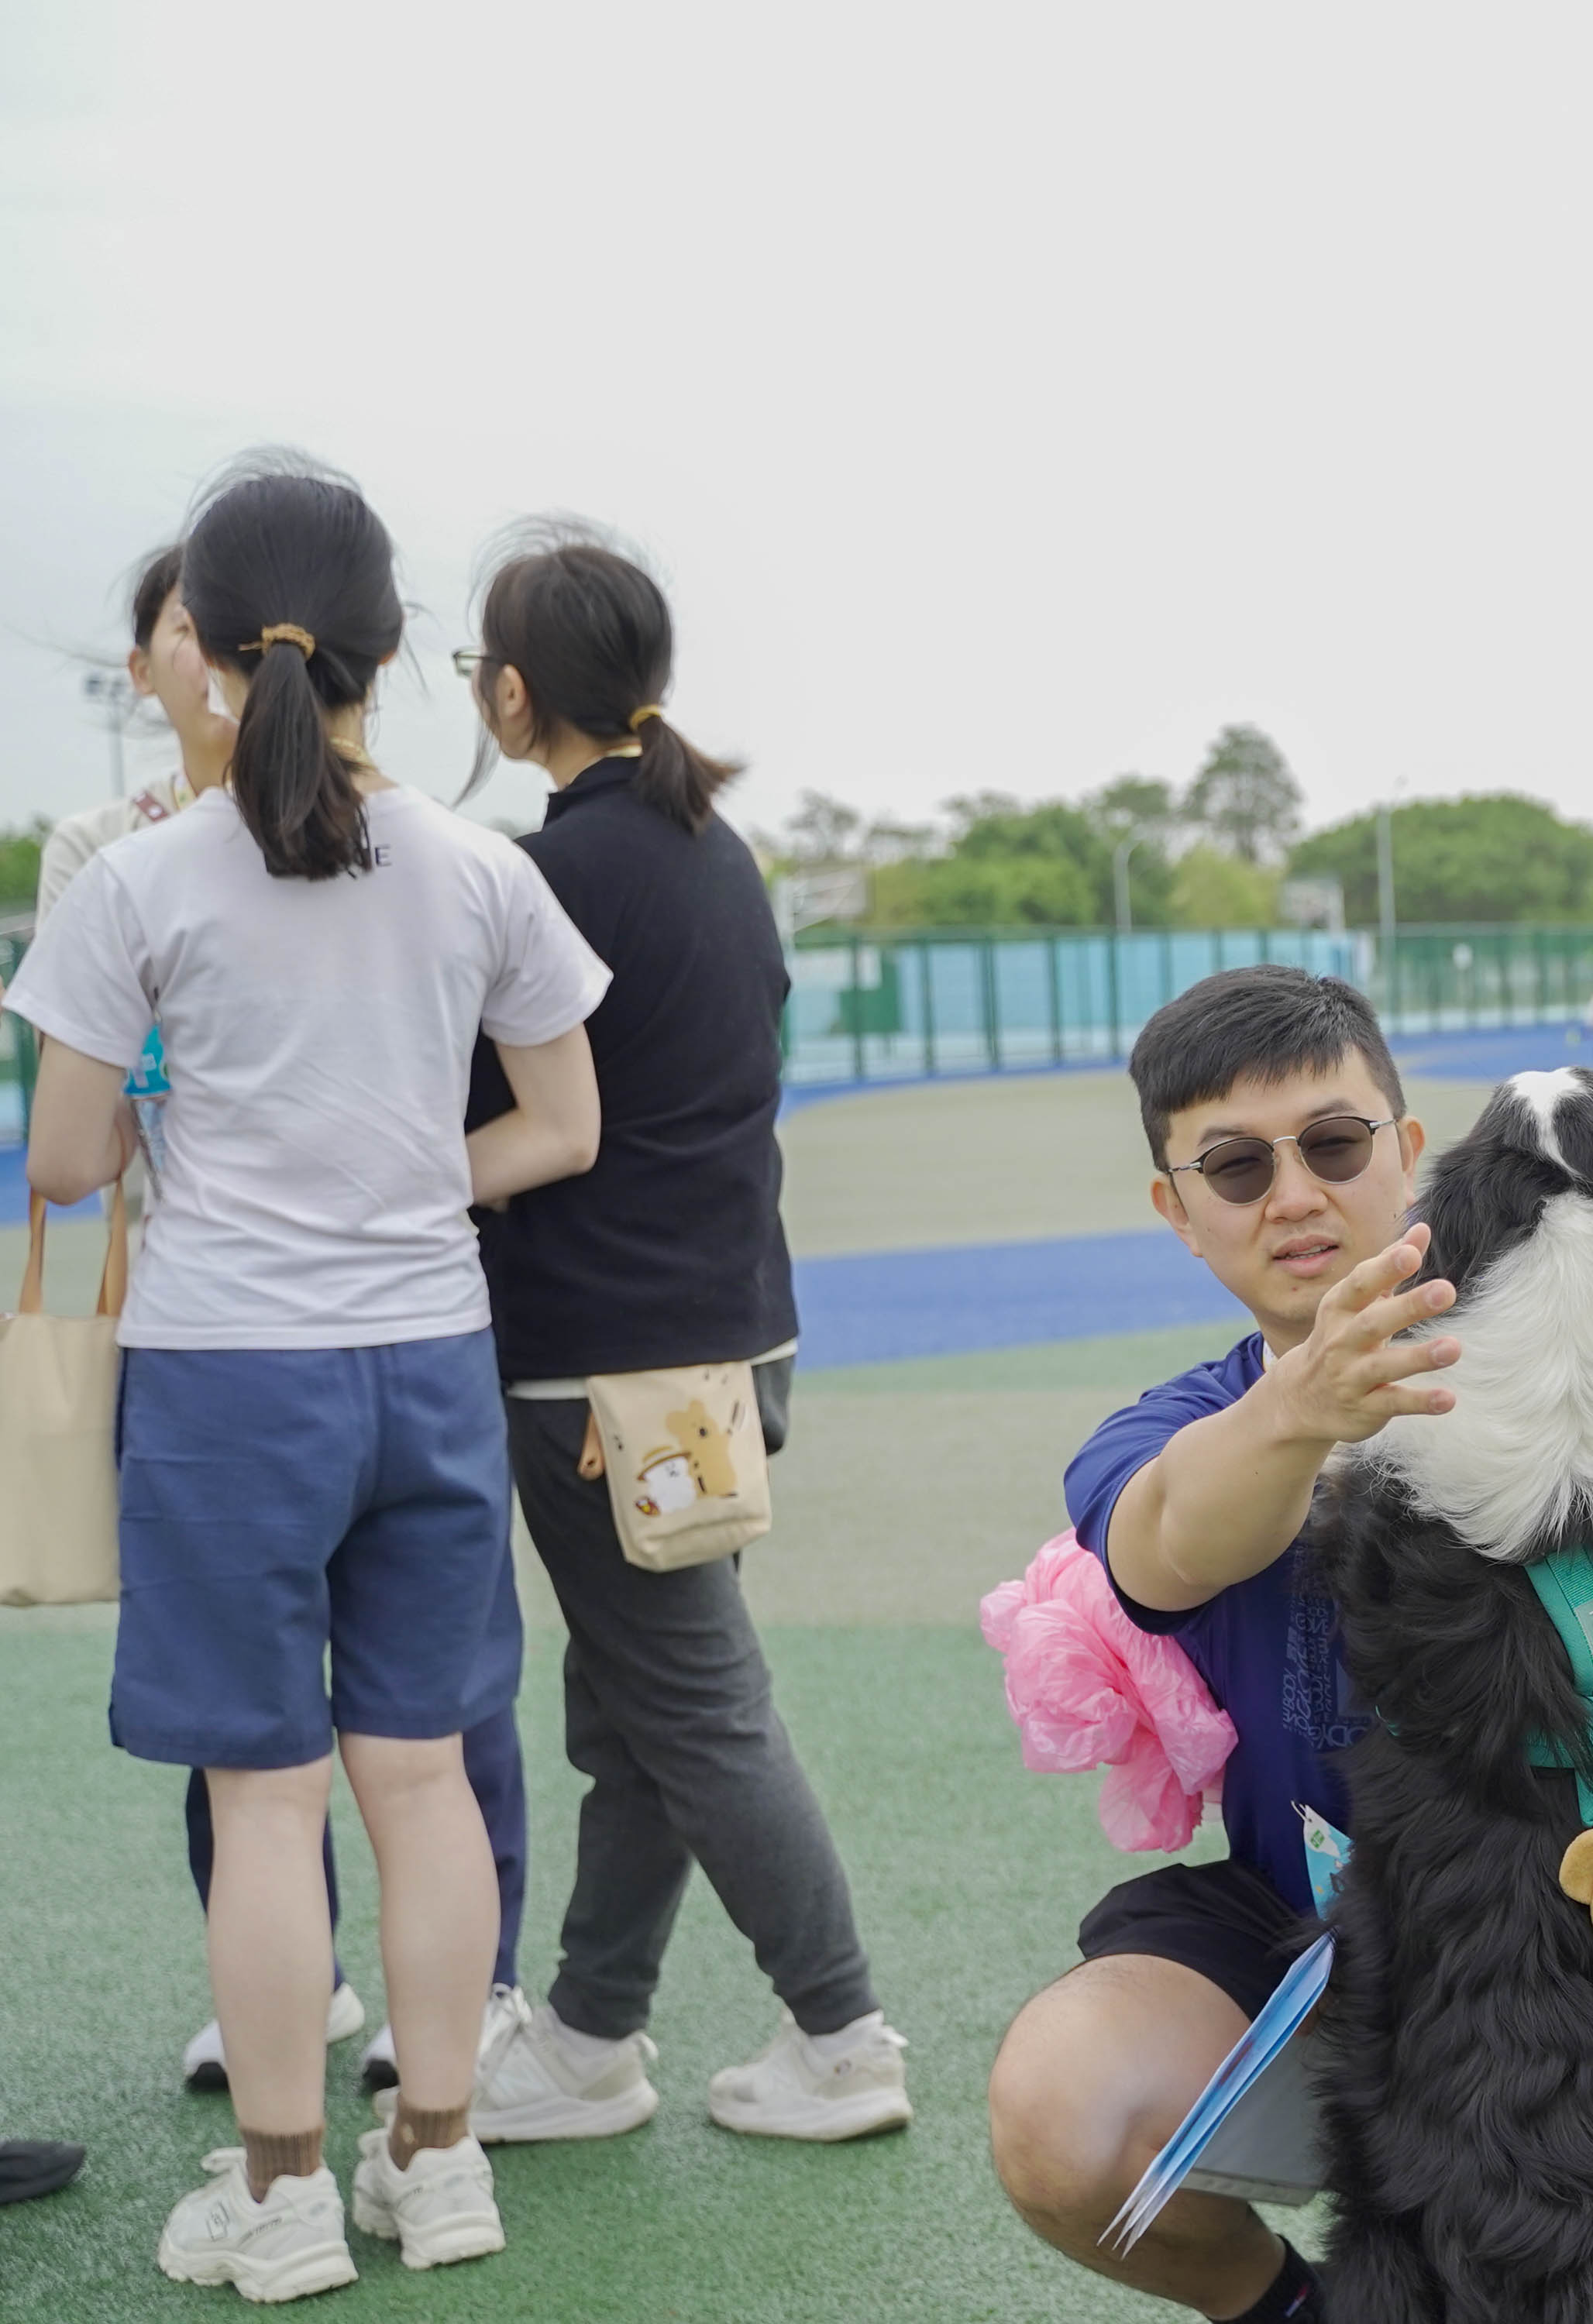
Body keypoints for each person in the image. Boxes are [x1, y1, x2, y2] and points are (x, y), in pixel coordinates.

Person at [982, 968, 1593, 2324]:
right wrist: (1307, 1411)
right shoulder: (1181, 1427)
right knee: (1065, 2118)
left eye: (1333, 1145)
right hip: (1317, 1931)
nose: (1293, 1195)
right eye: (1237, 1167)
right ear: (1178, 1209)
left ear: (1409, 1156)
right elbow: (1166, 1545)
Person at [10, 457, 611, 2302]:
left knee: (264, 1800)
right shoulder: (481, 868)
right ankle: (437, 2159)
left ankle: (278, 2195)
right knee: (425, 1783)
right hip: (429, 1362)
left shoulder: (138, 879)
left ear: (195, 645)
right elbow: (563, 1125)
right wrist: (409, 1176)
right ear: (390, 650)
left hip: (225, 1384)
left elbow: (66, 1164)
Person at [439, 528, 906, 2147]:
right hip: (728, 1341)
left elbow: (494, 1108)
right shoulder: (714, 846)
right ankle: (590, 2036)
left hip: (602, 1365)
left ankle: (842, 2035)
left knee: (693, 1705)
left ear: (513, 695)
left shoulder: (546, 873)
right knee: (640, 1707)